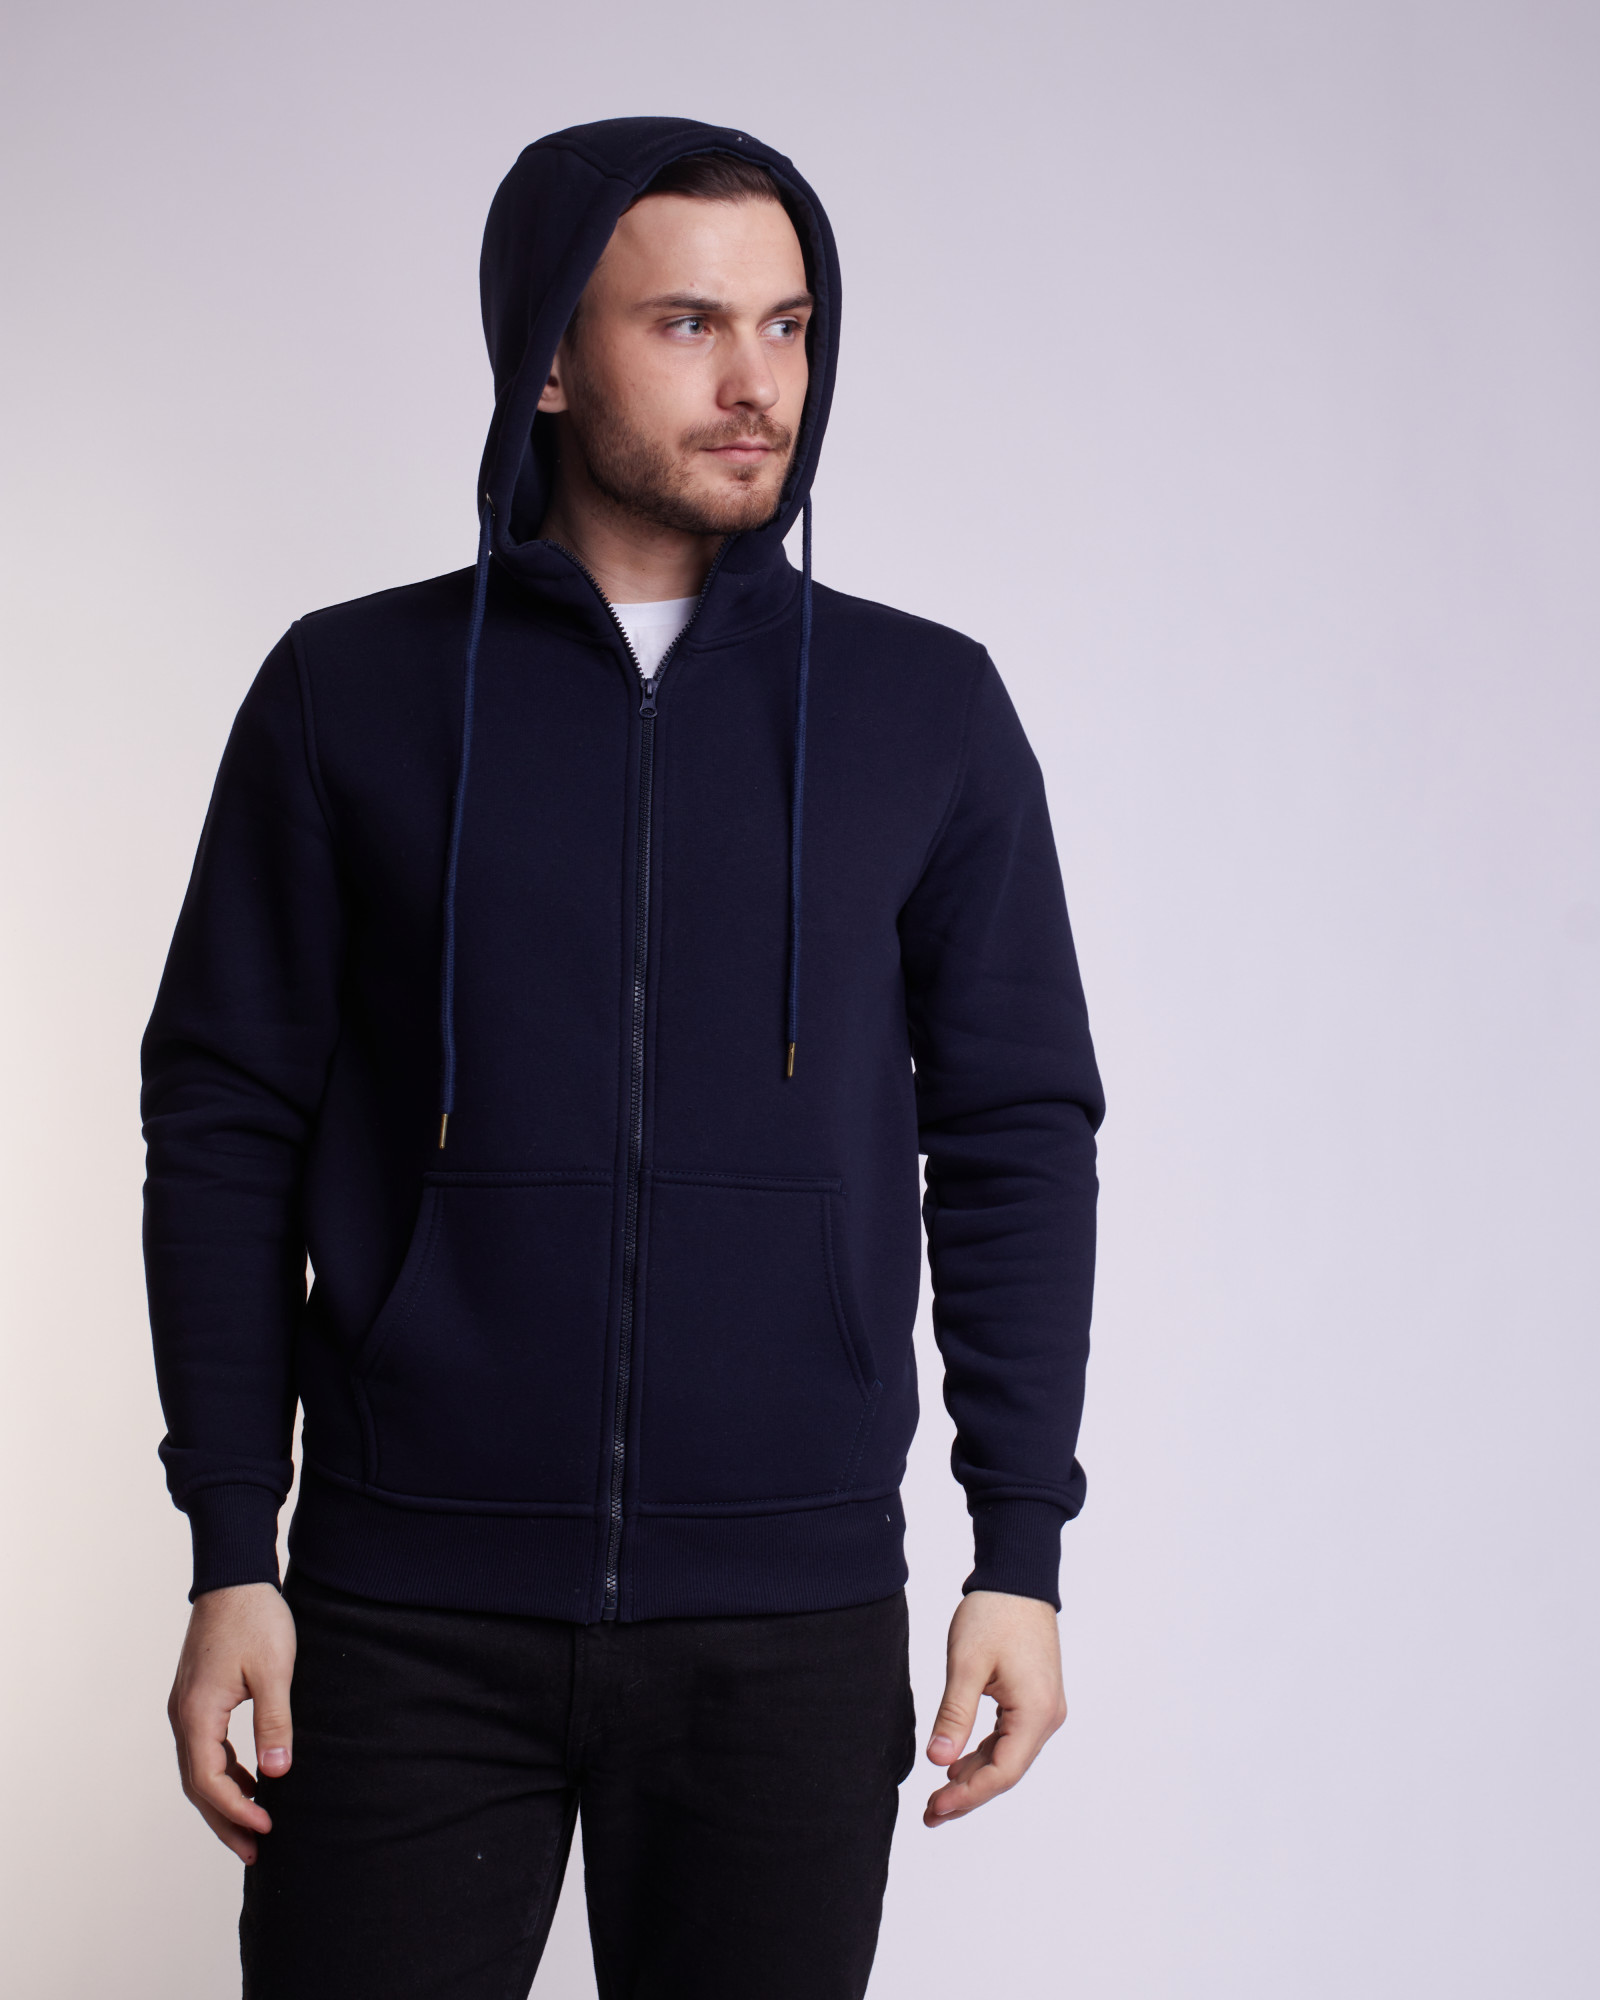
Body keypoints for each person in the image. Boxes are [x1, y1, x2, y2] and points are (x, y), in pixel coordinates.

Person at [144, 116, 1104, 1999]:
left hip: (791, 1620)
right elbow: (226, 1124)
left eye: (788, 325)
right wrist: (230, 1545)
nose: (760, 385)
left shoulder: (924, 706)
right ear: (550, 359)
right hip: (399, 1613)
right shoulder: (350, 691)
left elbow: (1014, 1133)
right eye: (689, 324)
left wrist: (1020, 1548)